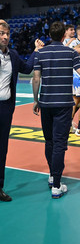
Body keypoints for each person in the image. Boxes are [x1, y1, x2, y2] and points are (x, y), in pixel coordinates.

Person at [32, 21, 80, 199]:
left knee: (49, 141)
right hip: (63, 105)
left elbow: (36, 79)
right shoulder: (71, 52)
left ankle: (51, 175)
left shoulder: (40, 53)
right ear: (64, 36)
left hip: (46, 103)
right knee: (60, 144)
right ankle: (56, 185)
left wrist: (35, 100)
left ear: (49, 35)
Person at [0, 21, 38, 202]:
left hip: (6, 108)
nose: (5, 37)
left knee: (2, 149)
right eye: (1, 33)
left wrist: (35, 52)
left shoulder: (13, 55)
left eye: (7, 33)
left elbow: (28, 68)